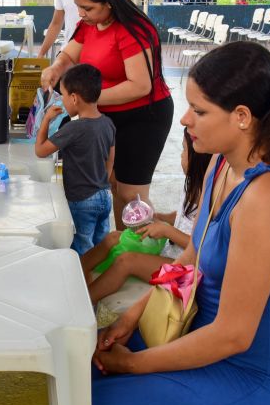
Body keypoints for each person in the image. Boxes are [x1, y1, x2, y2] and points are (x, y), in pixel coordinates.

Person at [90, 41, 270, 405]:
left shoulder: (269, 198)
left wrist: (133, 365)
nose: (184, 119)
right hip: (199, 331)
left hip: (255, 378)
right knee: (86, 368)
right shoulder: (220, 163)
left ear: (242, 117)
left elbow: (234, 334)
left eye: (199, 111)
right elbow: (190, 260)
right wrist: (135, 314)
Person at [40, 0, 173, 231]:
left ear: (109, 3)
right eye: (78, 7)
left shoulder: (132, 29)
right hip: (109, 114)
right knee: (112, 183)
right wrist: (56, 67)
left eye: (87, 8)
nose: (81, 14)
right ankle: (149, 231)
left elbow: (139, 86)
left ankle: (135, 251)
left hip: (143, 116)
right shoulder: (89, 24)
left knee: (130, 194)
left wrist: (88, 100)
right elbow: (69, 55)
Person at [80, 130, 211, 304]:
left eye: (184, 150)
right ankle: (75, 274)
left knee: (126, 261)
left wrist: (166, 230)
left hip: (187, 268)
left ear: (198, 158)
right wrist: (158, 217)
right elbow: (181, 218)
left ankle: (83, 303)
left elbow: (203, 249)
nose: (181, 155)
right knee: (114, 237)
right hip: (170, 252)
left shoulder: (210, 197)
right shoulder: (191, 186)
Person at [35, 64, 115, 256]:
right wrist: (101, 183)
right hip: (104, 195)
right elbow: (110, 160)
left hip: (82, 199)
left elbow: (40, 150)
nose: (62, 100)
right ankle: (101, 277)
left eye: (62, 95)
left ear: (74, 98)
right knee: (101, 244)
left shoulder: (74, 128)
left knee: (82, 245)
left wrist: (46, 119)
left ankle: (84, 281)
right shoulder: (107, 123)